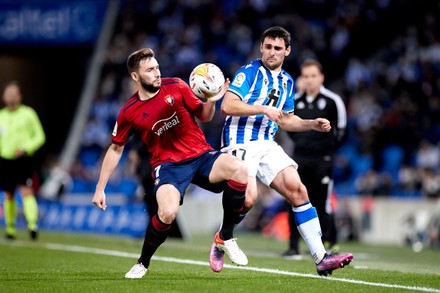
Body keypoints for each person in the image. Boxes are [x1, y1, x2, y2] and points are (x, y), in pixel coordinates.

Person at [92, 48, 249, 279]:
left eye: (156, 67)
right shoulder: (129, 112)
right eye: (149, 70)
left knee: (239, 169)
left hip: (201, 155)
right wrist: (100, 188)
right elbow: (116, 149)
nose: (157, 72)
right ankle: (142, 263)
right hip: (168, 167)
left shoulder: (176, 85)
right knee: (167, 212)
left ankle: (224, 237)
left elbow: (204, 116)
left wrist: (211, 100)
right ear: (135, 77)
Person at [212, 26, 353, 276]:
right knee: (248, 199)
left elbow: (286, 120)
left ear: (287, 51)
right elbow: (228, 105)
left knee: (298, 190)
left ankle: (321, 258)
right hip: (239, 141)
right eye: (268, 47)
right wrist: (262, 109)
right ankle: (224, 237)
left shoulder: (287, 81)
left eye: (278, 48)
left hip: (266, 143)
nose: (272, 52)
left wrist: (310, 124)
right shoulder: (249, 72)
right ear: (261, 47)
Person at [282, 59, 347, 259]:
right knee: (294, 198)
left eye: (313, 76)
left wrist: (325, 149)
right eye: (306, 76)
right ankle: (293, 246)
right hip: (300, 157)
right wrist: (303, 142)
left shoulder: (332, 100)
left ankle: (327, 242)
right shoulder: (295, 100)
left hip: (323, 159)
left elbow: (342, 130)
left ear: (321, 78)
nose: (309, 80)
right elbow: (287, 125)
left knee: (322, 201)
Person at [0, 81, 46, 240]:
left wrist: (26, 148)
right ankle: (10, 229)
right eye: (8, 94)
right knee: (8, 194)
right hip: (5, 160)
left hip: (23, 159)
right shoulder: (1, 116)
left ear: (19, 96)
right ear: (4, 97)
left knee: (26, 191)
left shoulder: (28, 114)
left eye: (14, 93)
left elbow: (40, 136)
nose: (11, 96)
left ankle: (32, 225)